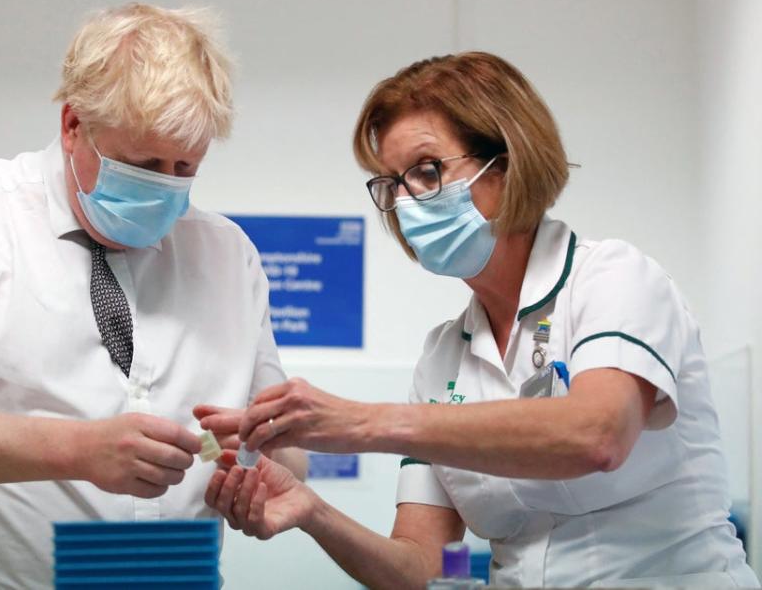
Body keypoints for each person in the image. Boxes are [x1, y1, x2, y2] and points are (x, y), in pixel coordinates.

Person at [201, 52, 760, 588]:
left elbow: (598, 434)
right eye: (392, 184)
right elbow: (422, 568)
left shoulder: (614, 279)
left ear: (507, 161)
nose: (408, 201)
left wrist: (362, 423)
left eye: (425, 171)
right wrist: (312, 512)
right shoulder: (443, 356)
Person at [0, 3, 304, 589]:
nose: (165, 185)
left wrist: (257, 472)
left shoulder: (226, 255)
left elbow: (285, 452)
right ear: (73, 125)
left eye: (185, 167)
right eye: (142, 164)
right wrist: (77, 448)